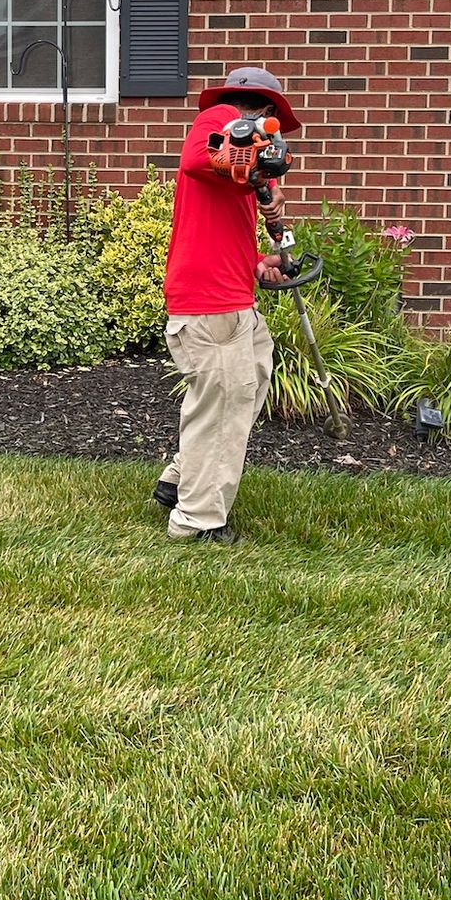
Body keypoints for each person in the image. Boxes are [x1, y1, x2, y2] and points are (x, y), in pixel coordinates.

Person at [152, 65, 301, 544]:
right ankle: (196, 521)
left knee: (251, 379)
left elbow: (224, 236)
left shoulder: (240, 181)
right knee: (222, 406)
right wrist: (249, 157)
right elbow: (198, 158)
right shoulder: (217, 121)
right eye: (269, 121)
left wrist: (260, 263)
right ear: (262, 110)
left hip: (234, 297)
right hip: (210, 305)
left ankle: (180, 479)